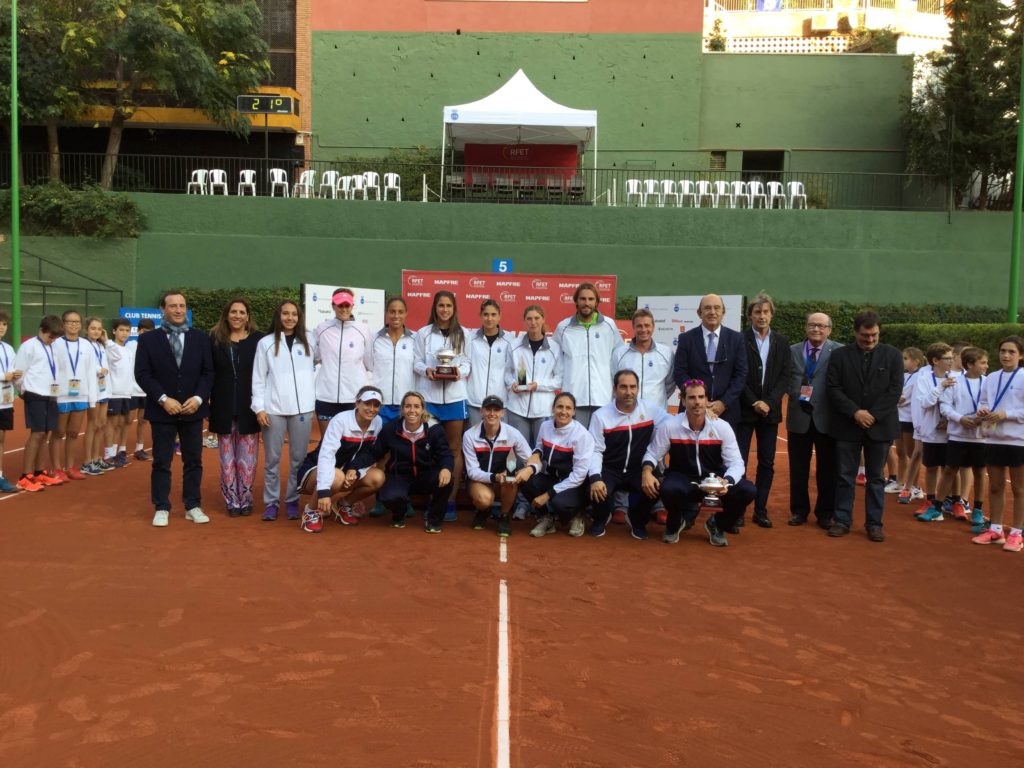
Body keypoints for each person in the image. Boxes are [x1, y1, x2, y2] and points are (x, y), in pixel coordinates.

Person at [641, 379, 756, 546]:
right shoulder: (670, 425)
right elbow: (652, 453)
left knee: (748, 490)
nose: (697, 402)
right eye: (692, 397)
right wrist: (646, 471)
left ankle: (717, 524)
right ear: (682, 400)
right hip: (683, 478)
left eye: (701, 397)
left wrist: (727, 481)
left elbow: (737, 463)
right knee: (668, 488)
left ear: (707, 400)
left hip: (714, 481)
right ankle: (674, 524)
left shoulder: (722, 427)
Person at [134, 291, 215, 527]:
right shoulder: (148, 340)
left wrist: (199, 398)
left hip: (193, 410)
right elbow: (142, 374)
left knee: (194, 460)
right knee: (161, 461)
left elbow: (208, 373)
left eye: (181, 306)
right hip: (162, 411)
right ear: (163, 309)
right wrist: (163, 399)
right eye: (173, 306)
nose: (178, 310)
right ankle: (161, 506)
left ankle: (192, 505)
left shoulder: (201, 339)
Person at [825, 310, 903, 542]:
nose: (869, 340)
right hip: (847, 425)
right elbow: (833, 388)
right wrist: (855, 412)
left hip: (880, 427)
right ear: (855, 332)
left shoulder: (893, 355)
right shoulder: (839, 356)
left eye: (874, 335)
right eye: (864, 335)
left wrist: (873, 416)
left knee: (876, 478)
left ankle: (874, 524)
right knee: (845, 476)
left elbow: (894, 390)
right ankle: (842, 520)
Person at [350, 391, 453, 533]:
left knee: (447, 480)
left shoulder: (435, 430)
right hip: (399, 475)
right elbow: (374, 453)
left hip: (426, 475)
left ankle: (434, 520)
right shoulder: (391, 429)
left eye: (416, 406)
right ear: (402, 409)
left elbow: (446, 454)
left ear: (422, 409)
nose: (412, 410)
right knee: (389, 496)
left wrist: (446, 468)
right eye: (408, 406)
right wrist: (353, 467)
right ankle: (399, 514)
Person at [252, 300, 317, 523]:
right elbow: (258, 378)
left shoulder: (309, 342)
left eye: (294, 315)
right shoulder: (265, 343)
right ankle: (271, 503)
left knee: (298, 460)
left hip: (303, 410)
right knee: (272, 460)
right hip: (273, 410)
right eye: (285, 314)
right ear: (278, 316)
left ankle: (291, 501)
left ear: (299, 318)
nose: (290, 318)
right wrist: (259, 407)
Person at [587, 369, 666, 539]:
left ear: (638, 389)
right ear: (614, 389)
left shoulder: (651, 410)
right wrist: (595, 478)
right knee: (595, 487)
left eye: (633, 387)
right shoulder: (600, 416)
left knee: (658, 488)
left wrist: (707, 415)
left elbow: (674, 424)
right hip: (609, 469)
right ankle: (601, 517)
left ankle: (637, 519)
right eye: (623, 387)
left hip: (638, 469)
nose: (629, 392)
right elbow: (595, 450)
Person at [297, 385, 387, 534]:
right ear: (357, 403)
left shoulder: (377, 422)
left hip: (344, 472)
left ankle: (344, 505)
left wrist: (356, 470)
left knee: (378, 477)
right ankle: (311, 511)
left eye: (376, 405)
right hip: (316, 471)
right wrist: (324, 493)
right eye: (367, 403)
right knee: (336, 475)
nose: (371, 409)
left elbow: (369, 454)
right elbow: (327, 455)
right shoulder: (341, 420)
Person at [735, 292, 791, 529]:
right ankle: (737, 511)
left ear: (772, 315)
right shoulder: (739, 340)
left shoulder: (782, 342)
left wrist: (768, 401)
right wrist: (754, 402)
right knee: (739, 462)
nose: (762, 316)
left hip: (770, 412)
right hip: (746, 412)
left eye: (766, 312)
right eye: (757, 312)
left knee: (766, 463)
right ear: (750, 316)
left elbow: (784, 377)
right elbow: (739, 374)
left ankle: (760, 510)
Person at [414, 290, 470, 521]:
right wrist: (426, 370)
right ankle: (432, 497)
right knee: (429, 449)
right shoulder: (423, 334)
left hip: (455, 399)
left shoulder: (464, 333)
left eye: (448, 306)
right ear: (434, 308)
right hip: (430, 399)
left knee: (454, 449)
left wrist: (458, 373)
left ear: (454, 308)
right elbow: (416, 361)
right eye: (441, 305)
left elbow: (467, 363)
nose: (445, 310)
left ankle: (450, 500)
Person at [786, 312, 841, 528]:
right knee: (798, 469)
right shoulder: (792, 351)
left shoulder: (838, 351)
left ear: (829, 329)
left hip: (827, 419)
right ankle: (799, 511)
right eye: (812, 325)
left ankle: (825, 513)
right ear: (805, 327)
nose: (816, 329)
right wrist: (796, 393)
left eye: (821, 326)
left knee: (828, 469)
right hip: (799, 417)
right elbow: (786, 377)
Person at [208, 298, 262, 517]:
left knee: (248, 458)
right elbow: (208, 372)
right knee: (227, 458)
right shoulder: (214, 339)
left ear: (248, 316)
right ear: (226, 315)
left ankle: (246, 498)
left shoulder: (259, 340)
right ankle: (232, 499)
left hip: (249, 407)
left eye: (242, 312)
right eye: (233, 312)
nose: (237, 316)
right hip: (222, 405)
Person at [973, 336, 1024, 551]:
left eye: (1011, 352)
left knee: (1020, 489)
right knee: (995, 487)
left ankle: (1016, 533)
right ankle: (995, 530)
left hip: (1019, 440)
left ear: (1021, 355)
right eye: (1003, 350)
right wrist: (983, 410)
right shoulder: (991, 378)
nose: (1006, 355)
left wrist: (1007, 414)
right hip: (993, 438)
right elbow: (984, 401)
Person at [522, 392, 595, 537]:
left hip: (576, 484)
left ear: (574, 411)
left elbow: (579, 475)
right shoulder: (545, 426)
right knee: (524, 479)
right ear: (553, 408)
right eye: (560, 407)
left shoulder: (582, 435)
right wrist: (535, 457)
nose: (563, 411)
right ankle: (546, 519)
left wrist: (547, 495)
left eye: (568, 408)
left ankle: (577, 515)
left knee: (558, 502)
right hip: (553, 478)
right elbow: (539, 447)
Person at [552, 283, 623, 428]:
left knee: (601, 446)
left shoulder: (609, 325)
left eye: (591, 299)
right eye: (583, 299)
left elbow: (619, 358)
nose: (587, 303)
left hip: (603, 398)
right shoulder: (563, 327)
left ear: (597, 302)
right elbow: (554, 359)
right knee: (576, 445)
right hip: (574, 398)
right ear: (576, 301)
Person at [462, 395, 534, 537]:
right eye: (488, 409)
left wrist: (528, 470)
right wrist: (494, 477)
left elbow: (531, 458)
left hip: (505, 479)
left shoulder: (513, 433)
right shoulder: (469, 435)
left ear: (502, 413)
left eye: (496, 410)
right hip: (480, 480)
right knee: (483, 499)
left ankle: (504, 516)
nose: (492, 413)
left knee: (512, 477)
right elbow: (471, 471)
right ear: (481, 412)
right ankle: (484, 510)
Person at [672, 293, 747, 426]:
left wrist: (723, 403)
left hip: (727, 412)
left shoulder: (736, 339)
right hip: (692, 411)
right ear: (699, 313)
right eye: (707, 308)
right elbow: (680, 372)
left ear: (723, 313)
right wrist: (699, 400)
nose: (712, 312)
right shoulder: (686, 339)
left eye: (717, 308)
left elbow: (740, 375)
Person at [939, 346, 989, 533]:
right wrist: (960, 418)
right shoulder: (954, 382)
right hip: (958, 435)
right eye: (982, 362)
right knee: (950, 469)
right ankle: (937, 507)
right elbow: (944, 406)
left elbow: (993, 403)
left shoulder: (989, 383)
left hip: (980, 437)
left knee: (979, 472)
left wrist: (983, 416)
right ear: (970, 364)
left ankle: (977, 509)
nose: (986, 366)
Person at [311, 287, 373, 437]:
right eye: (340, 305)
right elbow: (315, 357)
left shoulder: (363, 330)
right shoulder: (321, 329)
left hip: (354, 398)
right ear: (333, 306)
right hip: (326, 397)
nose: (344, 309)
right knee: (327, 443)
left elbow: (369, 363)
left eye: (347, 305)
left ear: (352, 306)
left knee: (351, 444)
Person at [13, 315, 64, 492]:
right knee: (37, 433)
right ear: (41, 330)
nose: (52, 340)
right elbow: (19, 373)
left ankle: (39, 471)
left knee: (46, 433)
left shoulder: (54, 346)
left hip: (51, 394)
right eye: (50, 337)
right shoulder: (28, 347)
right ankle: (25, 476)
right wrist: (23, 390)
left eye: (55, 338)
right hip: (34, 394)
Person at [910, 343, 957, 522]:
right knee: (931, 468)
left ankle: (946, 501)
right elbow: (925, 402)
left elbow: (957, 402)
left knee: (949, 468)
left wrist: (948, 418)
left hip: (950, 432)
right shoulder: (924, 379)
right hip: (931, 432)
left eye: (952, 358)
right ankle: (930, 501)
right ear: (935, 361)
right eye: (948, 359)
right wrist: (940, 387)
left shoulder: (954, 378)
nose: (951, 362)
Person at [48, 309, 96, 482]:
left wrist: (92, 398)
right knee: (58, 432)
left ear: (81, 325)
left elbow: (91, 372)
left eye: (77, 322)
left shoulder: (86, 345)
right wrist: (52, 394)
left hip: (80, 395)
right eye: (70, 322)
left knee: (74, 432)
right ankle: (56, 468)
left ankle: (69, 467)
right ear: (63, 324)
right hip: (61, 395)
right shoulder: (55, 344)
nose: (74, 325)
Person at [505, 304, 562, 448]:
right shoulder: (514, 345)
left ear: (543, 319)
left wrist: (538, 385)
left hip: (544, 410)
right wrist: (512, 383)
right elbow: (507, 373)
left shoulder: (554, 347)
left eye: (537, 318)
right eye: (529, 319)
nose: (533, 322)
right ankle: (518, 472)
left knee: (541, 451)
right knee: (518, 452)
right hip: (517, 408)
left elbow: (559, 379)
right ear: (524, 321)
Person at [612, 308, 675, 409]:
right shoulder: (619, 353)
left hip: (656, 413)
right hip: (627, 413)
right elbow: (614, 383)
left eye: (647, 325)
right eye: (639, 326)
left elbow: (670, 384)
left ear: (653, 327)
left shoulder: (666, 353)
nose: (643, 330)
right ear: (633, 327)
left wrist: (658, 399)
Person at [371, 296, 417, 424]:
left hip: (406, 404)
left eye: (400, 312)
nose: (396, 315)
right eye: (392, 311)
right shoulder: (374, 339)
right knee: (378, 442)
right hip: (380, 403)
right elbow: (369, 366)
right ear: (386, 313)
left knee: (402, 443)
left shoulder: (416, 339)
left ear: (406, 313)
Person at [466, 299, 511, 425]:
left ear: (499, 316)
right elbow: (465, 364)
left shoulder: (510, 340)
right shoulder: (470, 338)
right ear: (480, 316)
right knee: (473, 441)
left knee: (499, 443)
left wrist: (522, 385)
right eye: (486, 314)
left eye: (493, 314)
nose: (489, 318)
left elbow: (517, 368)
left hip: (499, 403)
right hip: (475, 402)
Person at [82, 317, 113, 475]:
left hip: (103, 389)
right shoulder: (84, 345)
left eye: (99, 329)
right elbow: (85, 363)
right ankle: (87, 461)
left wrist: (106, 341)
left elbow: (115, 358)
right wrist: (98, 369)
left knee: (101, 424)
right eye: (93, 328)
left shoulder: (101, 345)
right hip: (92, 389)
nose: (96, 331)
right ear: (86, 329)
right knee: (92, 424)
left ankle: (96, 458)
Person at [103, 318, 135, 468]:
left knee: (122, 423)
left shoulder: (128, 350)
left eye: (127, 330)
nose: (124, 333)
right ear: (114, 331)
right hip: (113, 392)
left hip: (126, 393)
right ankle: (108, 454)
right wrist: (108, 341)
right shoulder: (109, 347)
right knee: (112, 423)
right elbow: (115, 356)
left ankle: (115, 453)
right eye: (121, 330)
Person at [896, 347, 926, 504]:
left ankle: (916, 486)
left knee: (911, 453)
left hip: (909, 419)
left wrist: (900, 399)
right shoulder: (903, 375)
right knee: (900, 451)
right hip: (898, 417)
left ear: (917, 361)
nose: (903, 361)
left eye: (906, 358)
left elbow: (912, 396)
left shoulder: (920, 376)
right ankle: (900, 482)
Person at [0, 311, 22, 493]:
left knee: (1, 439)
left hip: (5, 401)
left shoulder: (8, 348)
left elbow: (13, 370)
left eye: (4, 324)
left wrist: (17, 376)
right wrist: (3, 376)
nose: (1, 327)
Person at [130, 318, 155, 461]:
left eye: (149, 332)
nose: (146, 335)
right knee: (126, 421)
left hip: (146, 390)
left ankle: (139, 448)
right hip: (131, 390)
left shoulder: (153, 347)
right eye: (144, 332)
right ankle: (119, 450)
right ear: (138, 331)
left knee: (143, 420)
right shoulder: (130, 345)